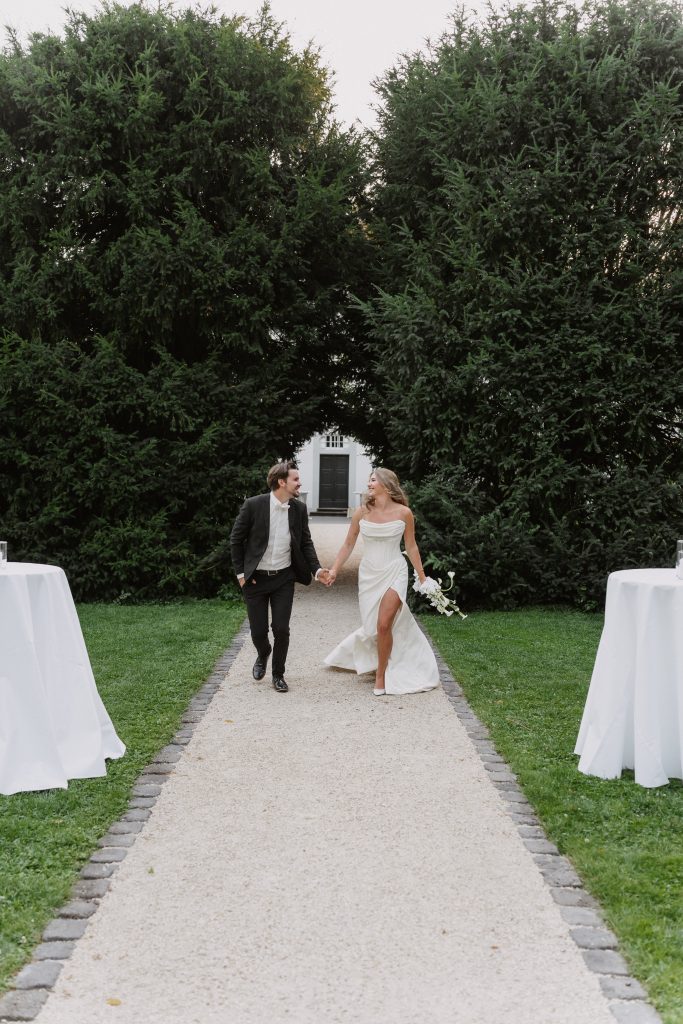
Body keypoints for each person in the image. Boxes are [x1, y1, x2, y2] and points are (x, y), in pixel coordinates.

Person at [324, 468, 439, 696]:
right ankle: (379, 659)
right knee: (373, 627)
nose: (369, 484)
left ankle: (381, 675)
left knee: (384, 624)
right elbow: (348, 543)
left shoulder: (404, 513)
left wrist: (422, 576)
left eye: (373, 480)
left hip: (394, 570)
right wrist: (334, 569)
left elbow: (411, 546)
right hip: (369, 574)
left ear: (386, 485)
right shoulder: (361, 512)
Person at [230, 460, 330, 693]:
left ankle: (278, 675)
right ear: (281, 482)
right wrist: (242, 574)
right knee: (258, 632)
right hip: (255, 579)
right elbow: (236, 540)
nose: (300, 483)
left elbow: (305, 542)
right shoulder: (253, 505)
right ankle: (263, 652)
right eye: (296, 479)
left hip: (283, 578)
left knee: (281, 628)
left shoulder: (299, 509)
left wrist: (317, 570)